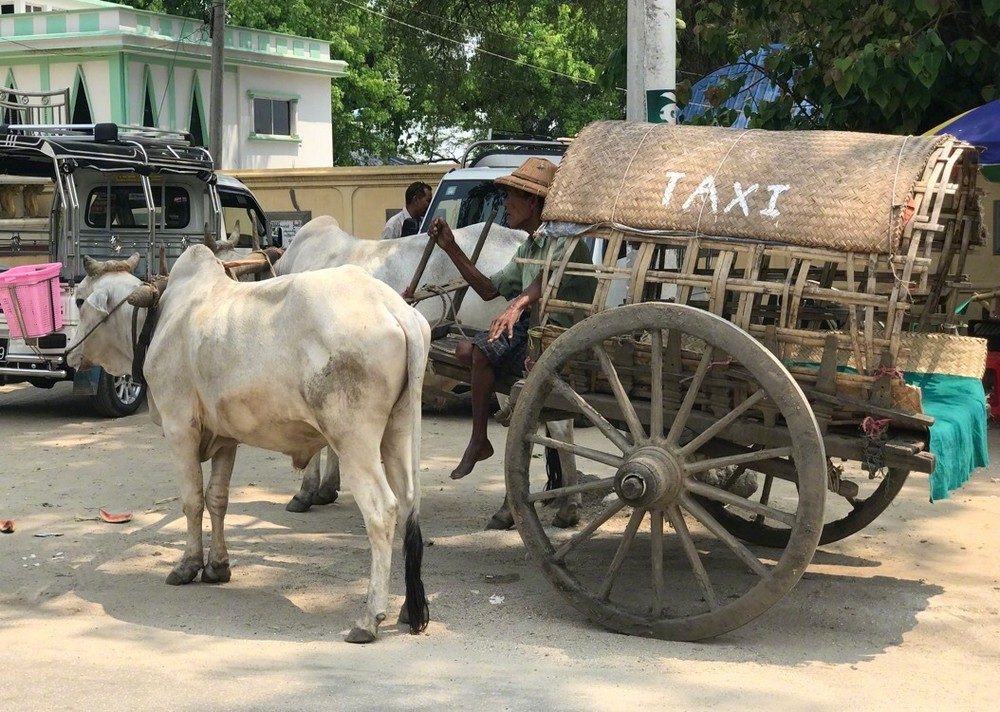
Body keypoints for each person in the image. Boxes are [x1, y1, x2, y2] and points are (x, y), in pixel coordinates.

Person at [428, 157, 595, 480]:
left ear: (531, 202)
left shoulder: (566, 240)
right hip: (532, 329)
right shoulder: (531, 245)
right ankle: (480, 437)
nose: (505, 203)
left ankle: (478, 440)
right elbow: (490, 289)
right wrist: (450, 247)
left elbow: (549, 277)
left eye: (511, 197)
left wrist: (517, 305)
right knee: (466, 352)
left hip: (561, 334)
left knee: (478, 353)